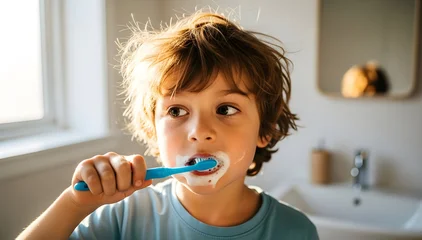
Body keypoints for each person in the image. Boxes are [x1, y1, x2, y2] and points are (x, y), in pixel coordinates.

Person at [18, 10, 319, 240]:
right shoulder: (123, 219)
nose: (199, 131)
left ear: (264, 130)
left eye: (225, 108)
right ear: (153, 129)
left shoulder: (294, 231)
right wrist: (74, 204)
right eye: (177, 111)